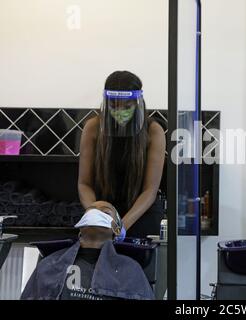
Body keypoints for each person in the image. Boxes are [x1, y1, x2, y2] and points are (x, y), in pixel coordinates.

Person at [78, 71, 166, 238]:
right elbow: (84, 184)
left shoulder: (154, 131)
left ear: (138, 104)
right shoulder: (93, 127)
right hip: (102, 211)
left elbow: (150, 190)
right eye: (114, 106)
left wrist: (120, 227)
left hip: (142, 212)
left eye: (127, 106)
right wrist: (97, 216)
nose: (120, 112)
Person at [21, 201, 154, 300]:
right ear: (80, 227)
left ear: (117, 230)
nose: (96, 214)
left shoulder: (131, 270)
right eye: (90, 212)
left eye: (106, 212)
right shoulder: (50, 264)